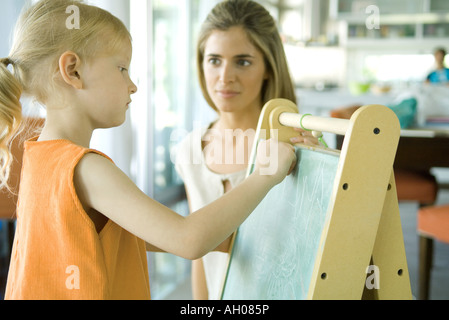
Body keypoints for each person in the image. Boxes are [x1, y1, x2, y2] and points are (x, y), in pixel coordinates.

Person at [0, 0, 296, 300]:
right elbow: (188, 239)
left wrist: (218, 239)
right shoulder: (87, 168)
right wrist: (265, 173)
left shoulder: (38, 156)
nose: (133, 86)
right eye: (122, 68)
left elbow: (87, 235)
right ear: (73, 71)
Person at [174, 0, 317, 300]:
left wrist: (319, 172)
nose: (225, 76)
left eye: (243, 61)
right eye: (214, 60)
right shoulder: (190, 149)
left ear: (268, 67)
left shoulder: (295, 146)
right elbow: (200, 254)